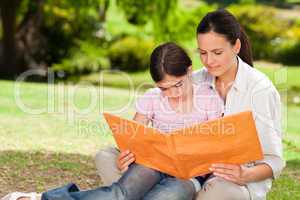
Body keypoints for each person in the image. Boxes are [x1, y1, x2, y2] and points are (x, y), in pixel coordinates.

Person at [95, 9, 285, 200]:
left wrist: (245, 174)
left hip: (228, 178)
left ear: (236, 46)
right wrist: (129, 156)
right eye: (202, 53)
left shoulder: (260, 90)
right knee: (106, 157)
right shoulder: (193, 79)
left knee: (221, 191)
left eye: (217, 52)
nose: (209, 61)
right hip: (171, 171)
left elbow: (275, 160)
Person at [4, 42, 223, 200]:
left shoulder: (209, 98)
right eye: (164, 88)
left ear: (189, 71)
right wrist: (125, 156)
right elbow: (132, 137)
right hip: (153, 164)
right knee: (119, 194)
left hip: (188, 176)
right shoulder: (152, 98)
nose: (173, 94)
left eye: (178, 85)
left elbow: (217, 146)